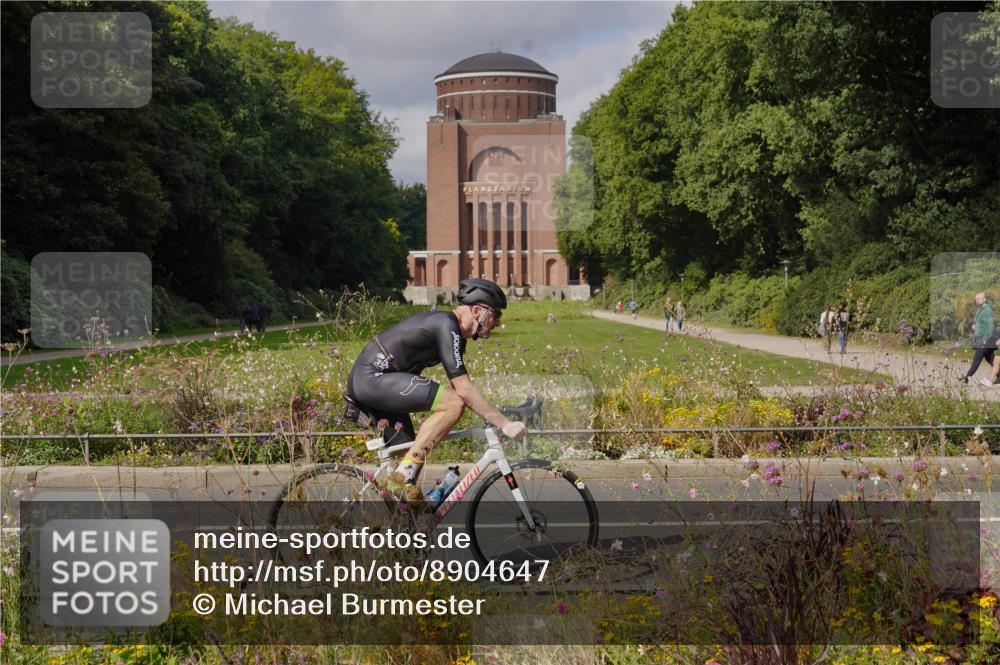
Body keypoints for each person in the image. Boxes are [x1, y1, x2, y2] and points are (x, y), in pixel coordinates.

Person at [345, 278, 526, 508]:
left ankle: (405, 520)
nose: (498, 322)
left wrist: (492, 414)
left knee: (410, 460)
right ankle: (401, 477)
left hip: (376, 382)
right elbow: (463, 390)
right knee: (453, 403)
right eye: (496, 314)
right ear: (477, 311)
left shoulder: (455, 334)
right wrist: (505, 424)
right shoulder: (446, 324)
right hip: (372, 378)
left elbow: (463, 387)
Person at [962, 292, 996, 384]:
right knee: (991, 359)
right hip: (980, 339)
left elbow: (990, 328)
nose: (977, 300)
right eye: (976, 299)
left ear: (984, 299)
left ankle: (966, 377)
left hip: (984, 340)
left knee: (977, 358)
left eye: (979, 298)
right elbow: (981, 323)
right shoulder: (980, 309)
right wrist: (975, 326)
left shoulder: (987, 311)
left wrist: (984, 340)